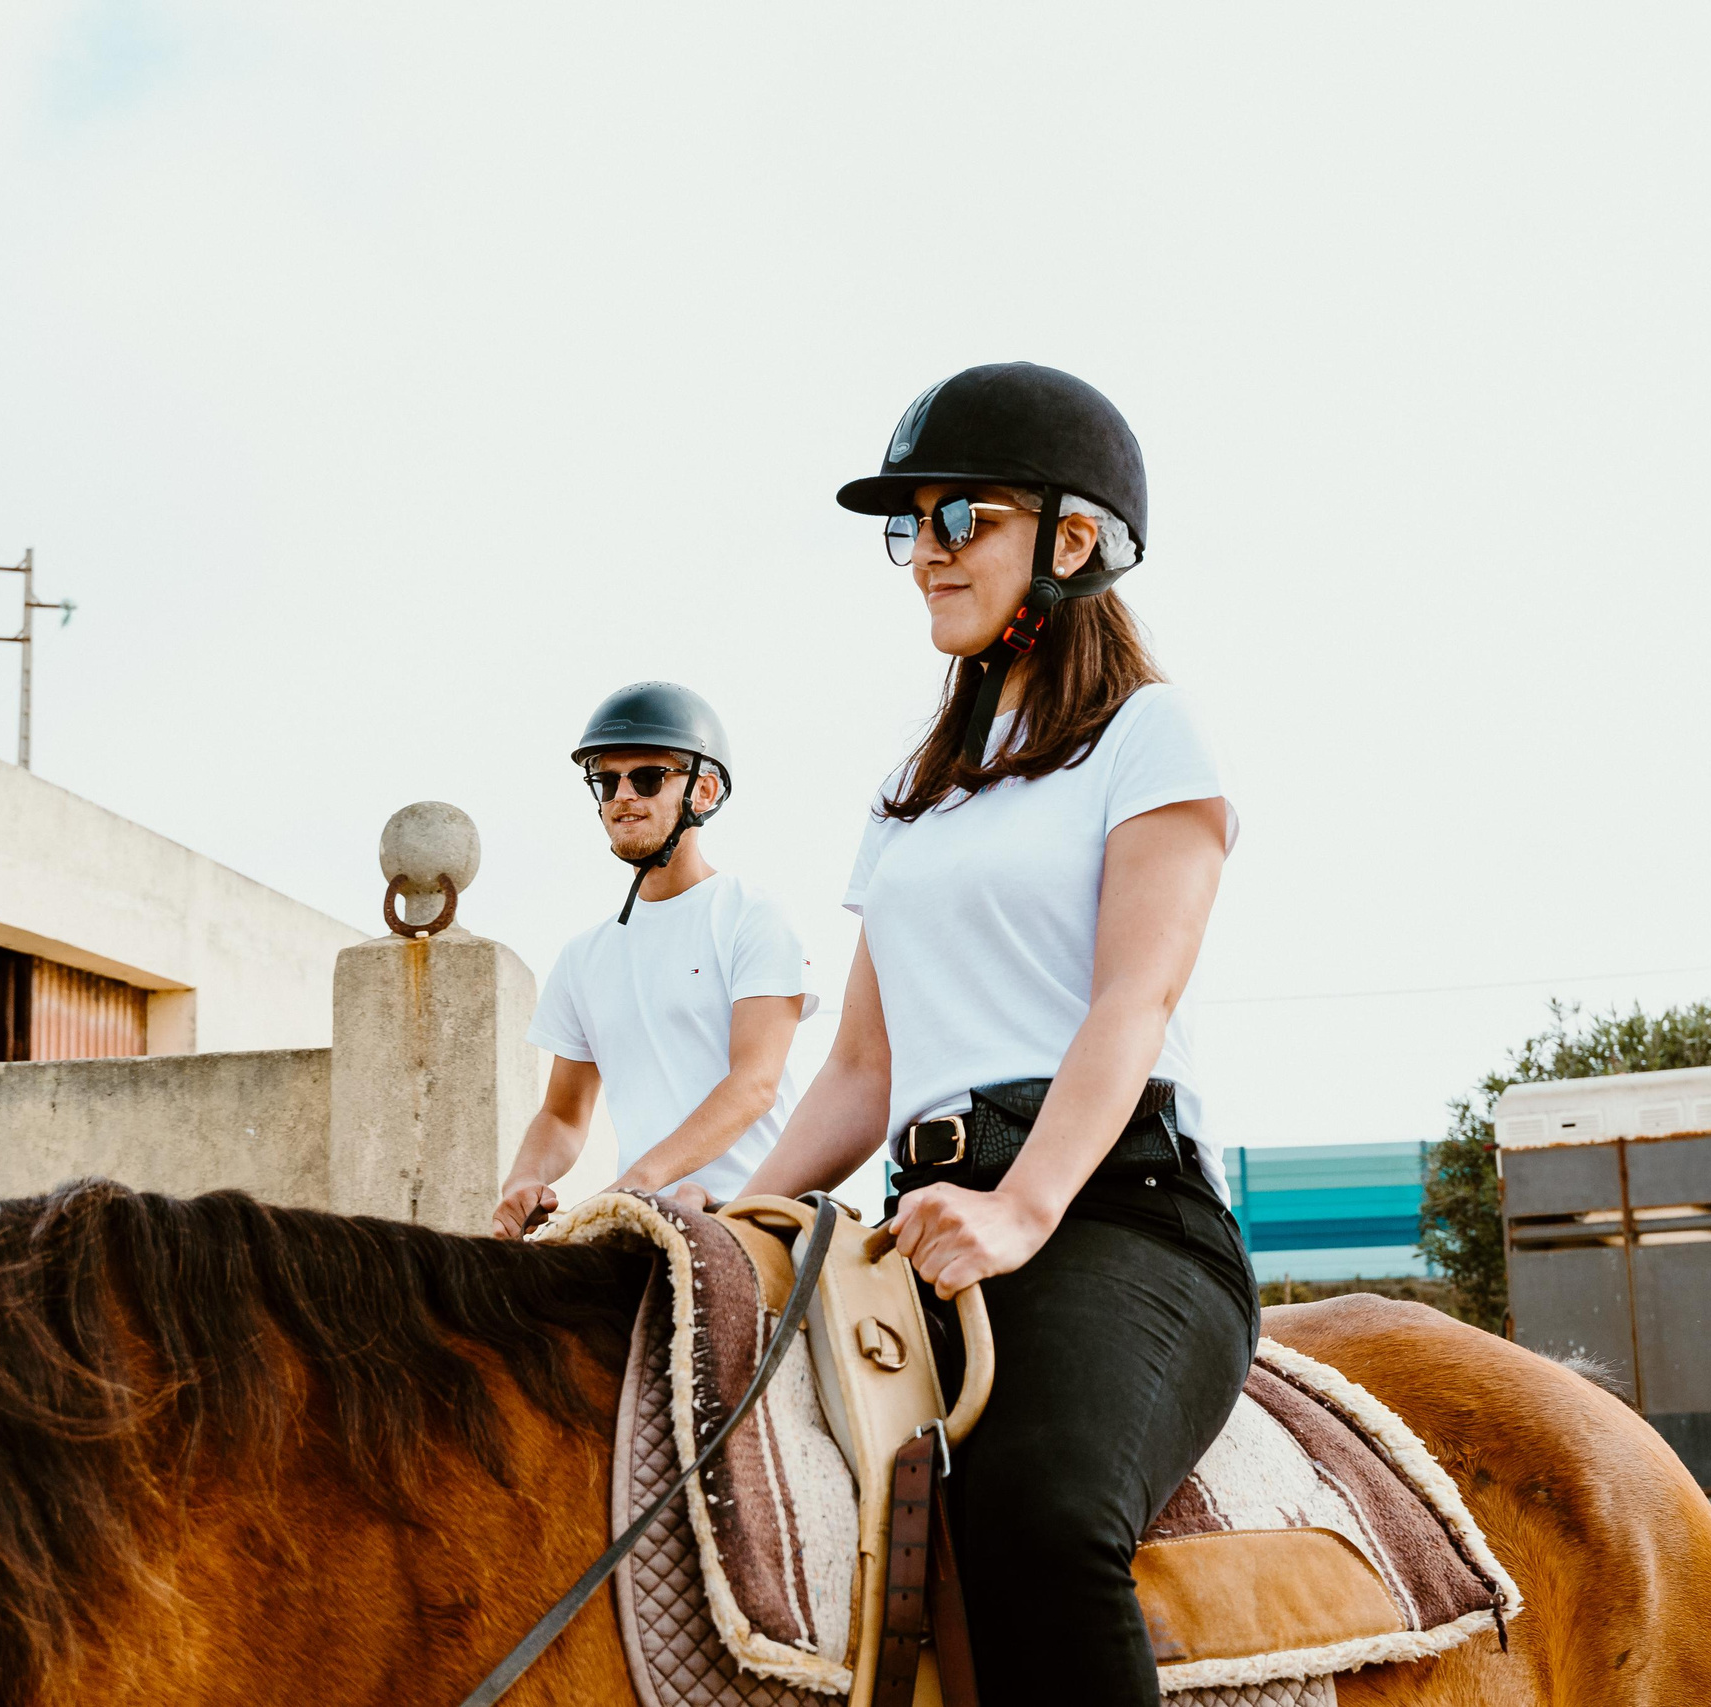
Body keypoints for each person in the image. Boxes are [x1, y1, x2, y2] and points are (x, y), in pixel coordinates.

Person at [729, 363, 1250, 1704]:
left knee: (1035, 1511)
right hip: (923, 1222)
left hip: (1118, 1212)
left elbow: (1130, 998)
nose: (927, 555)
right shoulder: (914, 785)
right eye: (914, 523)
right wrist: (727, 1224)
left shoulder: (1149, 732)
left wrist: (1022, 1208)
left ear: (1071, 541)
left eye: (964, 516)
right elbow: (859, 1068)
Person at [491, 682, 814, 1237]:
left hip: (752, 1217)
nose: (621, 796)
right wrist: (522, 1180)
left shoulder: (751, 915)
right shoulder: (582, 957)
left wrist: (634, 1184)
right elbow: (564, 1115)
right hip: (641, 1225)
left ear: (705, 791)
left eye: (646, 778)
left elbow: (754, 1085)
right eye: (606, 780)